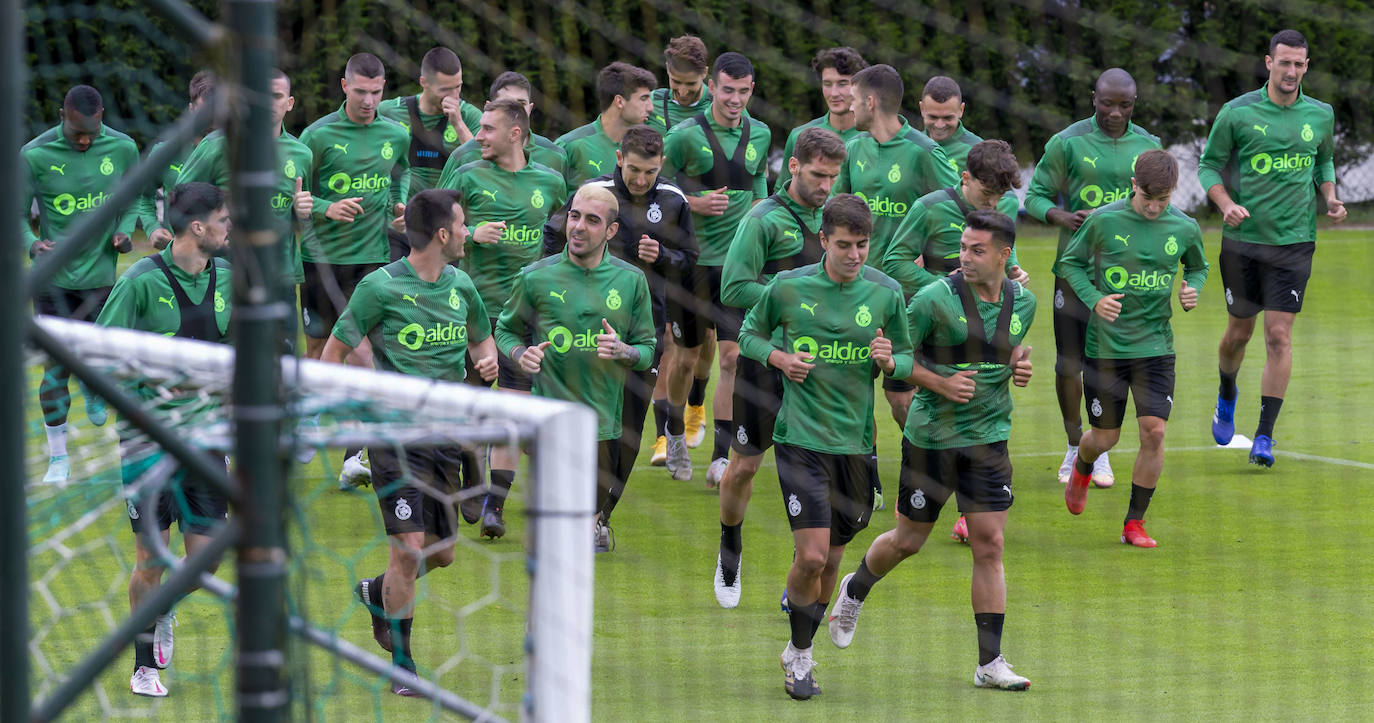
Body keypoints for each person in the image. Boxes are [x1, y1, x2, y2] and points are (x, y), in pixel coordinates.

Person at [825, 209, 1036, 693]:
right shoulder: (932, 299)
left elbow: (1009, 352)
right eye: (962, 247)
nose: (964, 257)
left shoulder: (1024, 303)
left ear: (1004, 255)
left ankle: (990, 662)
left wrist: (1020, 367)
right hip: (931, 439)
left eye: (977, 250)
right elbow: (897, 358)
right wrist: (939, 382)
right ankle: (855, 589)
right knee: (908, 541)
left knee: (990, 544)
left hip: (989, 437)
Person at [734, 193, 911, 700]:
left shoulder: (886, 293)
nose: (854, 255)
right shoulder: (787, 288)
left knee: (831, 561)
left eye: (862, 245)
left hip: (855, 446)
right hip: (799, 441)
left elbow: (904, 353)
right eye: (843, 245)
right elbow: (749, 334)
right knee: (811, 558)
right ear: (822, 241)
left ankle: (802, 640)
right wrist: (779, 360)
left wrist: (889, 359)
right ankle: (801, 657)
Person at [327, 189, 499, 697]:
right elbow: (333, 352)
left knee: (441, 553)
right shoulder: (378, 288)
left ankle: (377, 592)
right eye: (463, 225)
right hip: (395, 440)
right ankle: (403, 662)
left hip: (446, 438)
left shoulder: (462, 285)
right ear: (443, 234)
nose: (468, 233)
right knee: (408, 548)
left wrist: (486, 361)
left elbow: (482, 340)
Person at [95, 183, 234, 697]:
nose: (229, 227)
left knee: (207, 559)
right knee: (151, 560)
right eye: (222, 220)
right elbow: (99, 357)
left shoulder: (228, 278)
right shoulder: (139, 281)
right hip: (147, 442)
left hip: (205, 440)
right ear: (197, 228)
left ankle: (164, 604)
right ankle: (143, 665)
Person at [711, 127, 845, 609]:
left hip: (820, 372)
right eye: (817, 174)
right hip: (767, 364)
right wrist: (792, 297)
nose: (826, 185)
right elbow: (732, 289)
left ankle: (801, 581)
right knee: (745, 466)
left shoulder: (838, 220)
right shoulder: (763, 218)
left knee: (817, 472)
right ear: (792, 166)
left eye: (833, 176)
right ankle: (730, 545)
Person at [1198, 28, 1345, 466]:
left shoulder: (1320, 114)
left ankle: (1264, 435)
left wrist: (1331, 195)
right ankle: (1227, 391)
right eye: (1285, 62)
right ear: (1269, 63)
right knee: (1238, 334)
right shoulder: (1237, 113)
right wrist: (1225, 204)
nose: (1292, 71)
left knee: (1279, 335)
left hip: (1296, 241)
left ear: (1306, 67)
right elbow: (1208, 166)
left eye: (1300, 64)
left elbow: (1323, 160)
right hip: (1242, 243)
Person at [1056, 150, 1208, 544]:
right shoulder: (1103, 220)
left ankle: (1133, 524)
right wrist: (1094, 298)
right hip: (1106, 349)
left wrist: (1192, 288)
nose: (1155, 207)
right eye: (1148, 198)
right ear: (1133, 186)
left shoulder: (1186, 227)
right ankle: (1083, 465)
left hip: (1156, 347)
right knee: (1104, 438)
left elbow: (1198, 266)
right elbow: (1069, 264)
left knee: (1154, 432)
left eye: (1164, 199)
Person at [496, 185, 657, 552]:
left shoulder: (632, 281)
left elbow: (648, 350)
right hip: (550, 421)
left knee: (585, 525)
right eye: (574, 216)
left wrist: (624, 351)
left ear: (611, 232)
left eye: (592, 220)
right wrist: (521, 353)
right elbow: (505, 329)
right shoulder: (535, 277)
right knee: (558, 532)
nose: (578, 227)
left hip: (603, 425)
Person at [544, 125, 701, 497]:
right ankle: (579, 498)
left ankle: (604, 512)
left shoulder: (674, 200)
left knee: (630, 423)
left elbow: (690, 260)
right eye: (633, 169)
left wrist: (662, 256)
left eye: (650, 171)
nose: (641, 179)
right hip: (585, 322)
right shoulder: (593, 194)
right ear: (618, 158)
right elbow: (554, 233)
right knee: (584, 417)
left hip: (643, 328)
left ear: (661, 163)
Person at [884, 139, 1027, 542]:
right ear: (965, 179)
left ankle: (966, 502)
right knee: (900, 401)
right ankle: (921, 478)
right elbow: (894, 260)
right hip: (926, 327)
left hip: (979, 332)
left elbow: (1007, 257)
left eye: (1001, 196)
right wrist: (949, 289)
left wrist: (1014, 273)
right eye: (987, 193)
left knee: (981, 398)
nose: (994, 203)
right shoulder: (929, 207)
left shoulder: (1003, 208)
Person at [437, 98, 567, 537]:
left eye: (488, 129)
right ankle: (469, 468)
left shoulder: (548, 181)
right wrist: (471, 233)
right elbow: (434, 227)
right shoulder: (469, 174)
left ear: (516, 133)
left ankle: (495, 505)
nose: (480, 136)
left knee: (514, 408)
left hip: (526, 317)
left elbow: (566, 229)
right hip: (474, 312)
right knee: (469, 407)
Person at [1025, 67, 1160, 488]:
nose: (1116, 113)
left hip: (1125, 278)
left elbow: (1159, 204)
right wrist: (1063, 216)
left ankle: (1097, 451)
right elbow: (1032, 197)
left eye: (1125, 105)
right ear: (1093, 98)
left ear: (1134, 103)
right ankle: (1072, 444)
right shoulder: (1067, 142)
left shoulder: (1149, 146)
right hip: (1074, 269)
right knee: (1069, 363)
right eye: (1107, 103)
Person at [299, 52, 412, 487]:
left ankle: (357, 453)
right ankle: (311, 416)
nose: (369, 101)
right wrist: (328, 207)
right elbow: (298, 195)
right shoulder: (318, 135)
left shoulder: (394, 133)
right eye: (361, 92)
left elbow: (400, 174)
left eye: (377, 92)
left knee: (364, 351)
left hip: (372, 260)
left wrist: (398, 207)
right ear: (344, 86)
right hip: (321, 260)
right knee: (319, 347)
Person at [21, 84, 141, 484]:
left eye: (92, 130)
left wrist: (124, 233)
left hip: (102, 280)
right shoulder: (34, 155)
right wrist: (32, 242)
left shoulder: (123, 148)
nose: (86, 140)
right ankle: (59, 458)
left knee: (104, 360)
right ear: (62, 117)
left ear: (103, 115)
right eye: (77, 134)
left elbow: (131, 199)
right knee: (53, 371)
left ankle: (93, 383)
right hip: (53, 281)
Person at [661, 51, 771, 486]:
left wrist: (761, 212)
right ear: (712, 87)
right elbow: (657, 188)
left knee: (733, 357)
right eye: (728, 90)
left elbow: (759, 178)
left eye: (744, 92)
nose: (735, 99)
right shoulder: (684, 135)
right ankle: (673, 432)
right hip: (690, 265)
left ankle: (721, 455)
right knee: (685, 359)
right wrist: (693, 202)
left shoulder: (760, 132)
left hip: (737, 268)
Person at [833, 63, 960, 430]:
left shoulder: (924, 152)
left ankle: (928, 459)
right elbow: (833, 211)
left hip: (904, 295)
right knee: (849, 389)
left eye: (854, 99)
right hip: (854, 290)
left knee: (902, 397)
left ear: (871, 102)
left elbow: (962, 208)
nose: (847, 106)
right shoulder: (853, 148)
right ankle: (863, 471)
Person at [177, 68, 315, 295]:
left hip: (281, 273)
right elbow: (180, 194)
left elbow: (297, 216)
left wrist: (302, 212)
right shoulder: (217, 144)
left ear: (289, 103)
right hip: (226, 269)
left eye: (276, 96)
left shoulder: (302, 153)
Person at [377, 47, 482, 199]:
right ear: (424, 82)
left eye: (458, 87)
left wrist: (458, 124)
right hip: (398, 209)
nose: (453, 96)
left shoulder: (470, 116)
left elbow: (483, 170)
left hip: (448, 211)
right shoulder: (389, 111)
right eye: (445, 89)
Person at [772, 47, 867, 193]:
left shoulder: (874, 137)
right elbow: (783, 197)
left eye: (842, 84)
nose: (834, 93)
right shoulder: (799, 136)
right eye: (827, 84)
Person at [140, 71, 216, 251]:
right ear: (191, 109)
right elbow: (143, 198)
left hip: (224, 259)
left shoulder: (238, 154)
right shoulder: (166, 152)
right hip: (177, 255)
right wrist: (152, 229)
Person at [441, 71, 568, 175]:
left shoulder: (555, 156)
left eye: (521, 104)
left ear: (529, 108)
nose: (515, 111)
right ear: (489, 108)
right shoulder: (464, 155)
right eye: (506, 103)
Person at [556, 61, 656, 193]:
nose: (651, 108)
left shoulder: (649, 146)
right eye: (643, 99)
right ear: (619, 101)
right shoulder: (570, 146)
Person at [646, 35, 712, 137]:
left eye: (691, 83)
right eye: (676, 82)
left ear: (704, 73)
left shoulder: (721, 104)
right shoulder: (649, 102)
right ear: (668, 69)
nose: (682, 92)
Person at [918, 75, 982, 174]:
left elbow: (1003, 188)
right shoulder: (909, 145)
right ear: (922, 109)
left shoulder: (978, 151)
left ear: (961, 110)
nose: (939, 125)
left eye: (947, 118)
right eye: (933, 117)